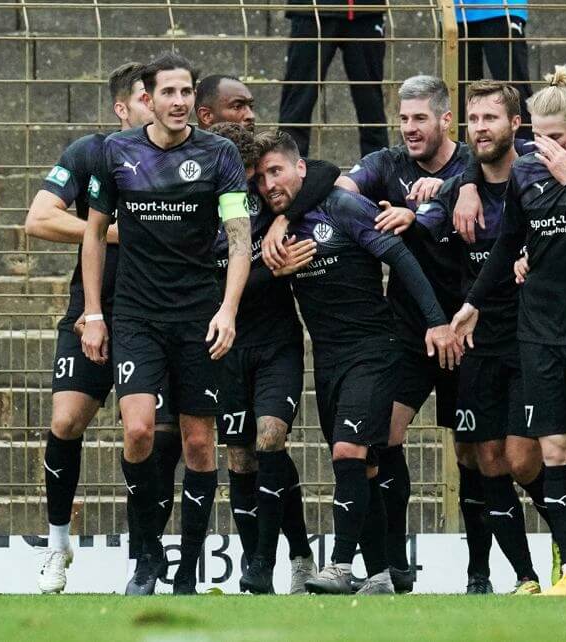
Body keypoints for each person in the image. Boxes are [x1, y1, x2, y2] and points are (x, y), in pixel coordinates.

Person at [452, 66, 566, 596]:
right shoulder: (525, 175)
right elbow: (510, 241)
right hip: (539, 331)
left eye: (555, 137)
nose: (543, 147)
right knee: (555, 449)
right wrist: (472, 305)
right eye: (536, 136)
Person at [253, 129, 461, 595]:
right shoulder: (269, 223)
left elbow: (402, 259)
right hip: (327, 358)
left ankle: (340, 566)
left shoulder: (342, 207)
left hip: (373, 349)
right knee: (359, 466)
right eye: (262, 176)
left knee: (350, 452)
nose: (270, 183)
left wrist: (436, 322)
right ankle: (384, 574)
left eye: (278, 171)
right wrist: (276, 241)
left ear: (300, 169)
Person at [80, 52, 251, 595]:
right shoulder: (117, 151)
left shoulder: (218, 153)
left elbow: (241, 237)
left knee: (201, 446)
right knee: (137, 431)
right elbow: (93, 234)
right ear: (147, 99)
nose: (179, 102)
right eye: (169, 92)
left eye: (186, 92)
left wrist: (227, 310)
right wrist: (92, 312)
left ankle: (186, 572)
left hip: (198, 315)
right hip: (136, 314)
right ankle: (146, 554)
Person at [26, 62, 176, 595]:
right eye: (145, 98)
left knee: (153, 436)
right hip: (92, 311)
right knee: (66, 422)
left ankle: (148, 557)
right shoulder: (92, 153)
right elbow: (39, 218)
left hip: (159, 315)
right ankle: (57, 544)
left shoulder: (181, 157)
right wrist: (110, 232)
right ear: (124, 108)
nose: (157, 106)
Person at [417, 80, 550, 595]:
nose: (481, 129)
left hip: (531, 339)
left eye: (491, 119)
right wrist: (415, 209)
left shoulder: (541, 175)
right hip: (475, 343)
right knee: (485, 460)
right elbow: (419, 226)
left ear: (516, 125)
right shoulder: (456, 189)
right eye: (473, 120)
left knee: (524, 460)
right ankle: (526, 576)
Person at [207, 122, 339, 594]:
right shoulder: (201, 206)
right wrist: (269, 270)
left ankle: (266, 560)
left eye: (252, 174)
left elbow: (324, 171)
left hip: (276, 343)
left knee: (271, 439)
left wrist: (285, 219)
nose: (251, 183)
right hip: (223, 348)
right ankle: (287, 554)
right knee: (240, 458)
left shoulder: (266, 200)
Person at [278, 0, 388, 157]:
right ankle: (287, 168)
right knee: (298, 101)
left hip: (366, 11)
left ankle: (379, 170)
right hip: (312, 10)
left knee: (371, 104)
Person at [456, 0, 532, 139]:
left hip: (502, 8)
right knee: (460, 95)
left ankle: (528, 153)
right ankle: (464, 155)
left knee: (514, 91)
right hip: (455, 12)